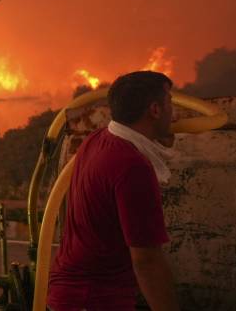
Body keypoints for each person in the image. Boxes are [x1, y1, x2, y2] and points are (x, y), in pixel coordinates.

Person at [48, 71, 179, 311]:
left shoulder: (97, 139)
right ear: (155, 110)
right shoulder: (132, 166)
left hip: (69, 294)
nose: (175, 113)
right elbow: (147, 261)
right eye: (170, 103)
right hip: (94, 299)